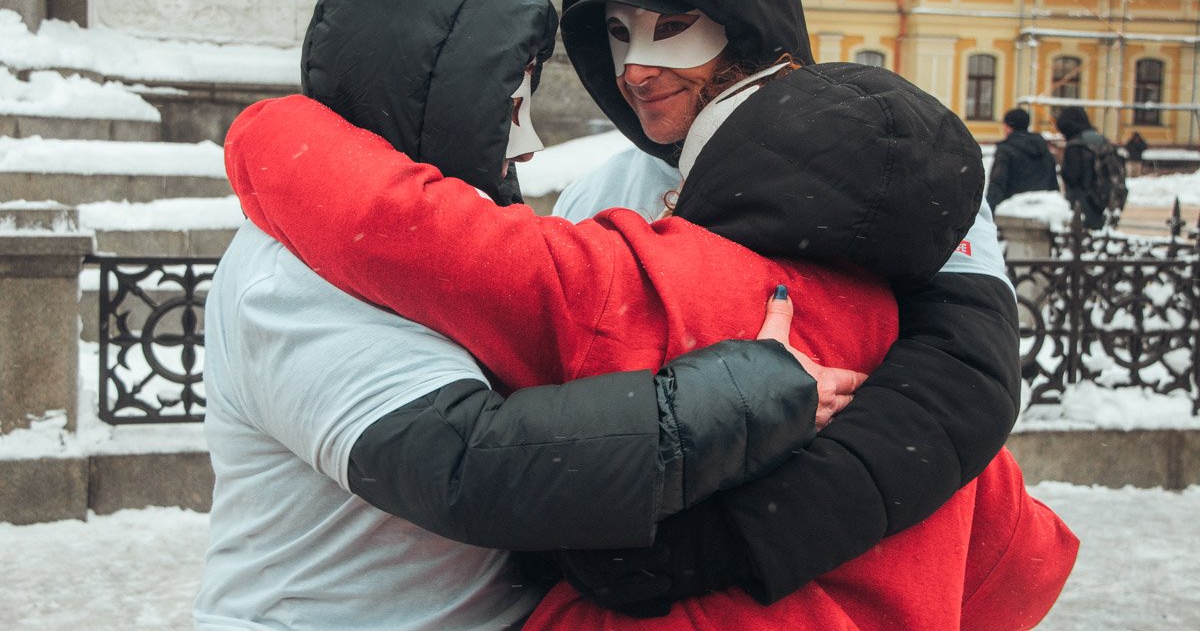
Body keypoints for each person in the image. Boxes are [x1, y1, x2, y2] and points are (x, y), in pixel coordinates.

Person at [223, 66, 1077, 631]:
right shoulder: (919, 365)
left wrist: (271, 131)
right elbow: (1026, 564)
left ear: (747, 163)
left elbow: (423, 240)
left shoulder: (687, 286)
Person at [195, 0, 864, 631]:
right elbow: (471, 470)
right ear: (438, 105)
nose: (529, 144)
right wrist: (739, 400)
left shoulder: (427, 245)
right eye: (508, 114)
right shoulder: (289, 278)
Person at [549, 0, 1028, 613]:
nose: (635, 70)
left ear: (743, 25)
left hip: (832, 586)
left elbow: (960, 378)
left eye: (670, 26)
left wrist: (735, 538)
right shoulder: (595, 192)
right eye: (615, 33)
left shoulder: (888, 158)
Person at [1055, 105, 1128, 229]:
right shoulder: (1102, 140)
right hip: (1103, 201)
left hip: (1083, 204)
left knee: (1079, 240)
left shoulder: (1075, 145)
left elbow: (1071, 176)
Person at [986, 107, 1060, 212]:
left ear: (1008, 127)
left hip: (1013, 212)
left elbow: (998, 183)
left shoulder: (1006, 150)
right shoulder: (1043, 149)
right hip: (1042, 211)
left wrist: (990, 211)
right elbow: (1053, 184)